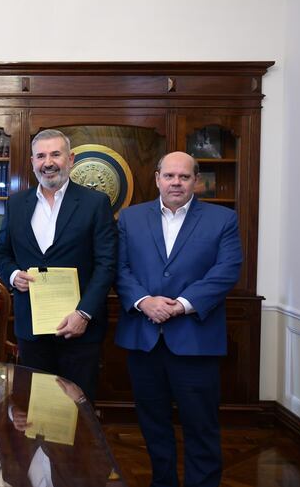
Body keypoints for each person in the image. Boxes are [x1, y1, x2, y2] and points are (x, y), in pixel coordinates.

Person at [114, 151, 242, 487]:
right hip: (144, 339)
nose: (176, 182)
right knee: (153, 425)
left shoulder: (222, 219)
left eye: (184, 177)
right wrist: (144, 302)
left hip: (195, 340)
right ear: (157, 178)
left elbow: (226, 271)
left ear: (195, 181)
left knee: (201, 427)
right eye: (169, 176)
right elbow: (120, 269)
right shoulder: (130, 218)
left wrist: (182, 304)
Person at [0, 129, 116, 401]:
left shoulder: (95, 203)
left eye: (55, 154)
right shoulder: (16, 204)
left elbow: (107, 264)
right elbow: (1, 253)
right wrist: (13, 275)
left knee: (78, 410)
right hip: (32, 330)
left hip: (80, 330)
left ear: (70, 159)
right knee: (36, 409)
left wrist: (83, 314)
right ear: (32, 162)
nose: (47, 162)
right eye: (40, 156)